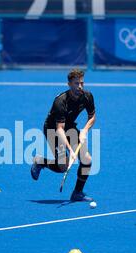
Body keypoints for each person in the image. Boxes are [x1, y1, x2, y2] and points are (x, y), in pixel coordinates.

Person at [31, 69, 96, 202]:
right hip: (53, 130)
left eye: (82, 83)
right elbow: (59, 129)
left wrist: (84, 129)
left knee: (87, 160)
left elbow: (92, 116)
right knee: (62, 167)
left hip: (69, 127)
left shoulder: (87, 96)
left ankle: (77, 193)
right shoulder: (60, 102)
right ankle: (40, 161)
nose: (79, 87)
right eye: (76, 83)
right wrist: (71, 150)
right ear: (69, 84)